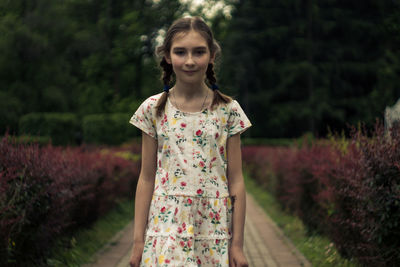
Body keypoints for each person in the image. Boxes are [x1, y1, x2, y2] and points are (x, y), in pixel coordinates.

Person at [128, 16, 251, 267]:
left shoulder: (229, 111)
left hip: (213, 229)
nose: (190, 61)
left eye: (199, 52)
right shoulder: (152, 110)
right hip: (166, 228)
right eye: (181, 52)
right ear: (167, 56)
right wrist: (138, 241)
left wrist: (236, 245)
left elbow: (236, 179)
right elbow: (146, 177)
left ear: (212, 56)